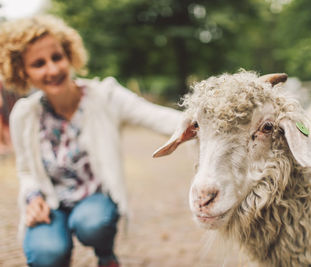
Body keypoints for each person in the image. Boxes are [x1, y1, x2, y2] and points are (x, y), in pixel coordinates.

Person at [0, 15, 182, 267]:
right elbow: (25, 170)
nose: (52, 69)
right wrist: (32, 198)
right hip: (52, 203)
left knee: (92, 223)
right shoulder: (24, 114)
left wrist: (209, 119)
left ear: (69, 55)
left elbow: (158, 117)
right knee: (46, 255)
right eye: (39, 63)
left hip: (93, 200)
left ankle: (105, 254)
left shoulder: (105, 96)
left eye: (57, 57)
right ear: (23, 72)